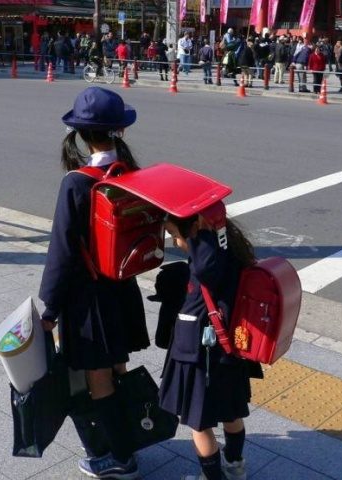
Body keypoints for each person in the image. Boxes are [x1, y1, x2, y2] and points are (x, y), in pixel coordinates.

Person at [39, 87, 149, 480]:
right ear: (120, 130)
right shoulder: (129, 172)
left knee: (98, 379)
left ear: (82, 135)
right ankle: (132, 435)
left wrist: (50, 309)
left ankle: (121, 457)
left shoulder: (77, 182)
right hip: (123, 290)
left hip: (90, 301)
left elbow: (62, 251)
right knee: (118, 368)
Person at [155, 213, 262, 480]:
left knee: (198, 423)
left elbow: (202, 268)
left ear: (195, 228)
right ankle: (235, 466)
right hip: (228, 349)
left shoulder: (206, 259)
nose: (174, 241)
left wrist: (199, 234)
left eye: (175, 234)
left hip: (200, 353)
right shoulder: (228, 246)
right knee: (231, 412)